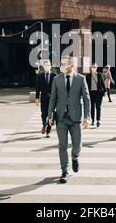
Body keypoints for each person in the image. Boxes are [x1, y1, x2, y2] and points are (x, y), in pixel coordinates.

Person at [48, 56, 90, 184]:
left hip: (75, 118)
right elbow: (53, 98)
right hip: (61, 117)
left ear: (71, 65)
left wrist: (87, 117)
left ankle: (75, 157)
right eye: (61, 63)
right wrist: (50, 116)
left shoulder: (80, 79)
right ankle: (64, 171)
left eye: (63, 63)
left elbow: (87, 99)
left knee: (77, 144)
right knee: (62, 146)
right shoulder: (56, 79)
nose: (61, 65)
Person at [35, 60, 56, 138]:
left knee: (51, 115)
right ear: (43, 67)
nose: (47, 66)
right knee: (43, 114)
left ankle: (48, 131)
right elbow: (37, 89)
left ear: (51, 66)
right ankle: (44, 124)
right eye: (45, 65)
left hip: (52, 99)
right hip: (43, 99)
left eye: (48, 65)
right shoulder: (40, 77)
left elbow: (57, 88)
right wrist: (37, 98)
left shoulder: (55, 76)